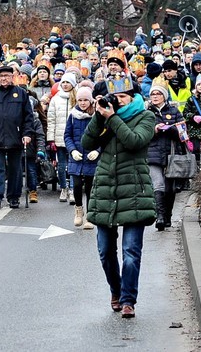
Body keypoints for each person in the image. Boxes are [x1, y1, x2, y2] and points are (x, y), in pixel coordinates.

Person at [82, 76, 156, 319]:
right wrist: (98, 115)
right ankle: (116, 290)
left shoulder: (145, 116)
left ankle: (128, 300)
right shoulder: (105, 116)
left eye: (123, 96)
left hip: (134, 189)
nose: (119, 101)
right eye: (115, 97)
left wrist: (112, 118)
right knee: (105, 251)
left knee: (131, 252)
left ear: (133, 97)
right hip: (106, 188)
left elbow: (135, 141)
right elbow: (87, 142)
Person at [0, 65, 35, 210]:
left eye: (7, 76)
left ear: (12, 77)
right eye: (1, 76)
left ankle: (14, 197)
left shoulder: (21, 94)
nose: (4, 79)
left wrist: (27, 134)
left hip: (16, 137)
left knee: (15, 170)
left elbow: (28, 117)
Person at [146, 78, 185, 231]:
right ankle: (160, 216)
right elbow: (142, 133)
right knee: (158, 184)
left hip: (171, 153)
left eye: (158, 94)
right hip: (152, 153)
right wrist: (155, 130)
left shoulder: (174, 111)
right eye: (153, 94)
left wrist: (170, 129)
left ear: (164, 95)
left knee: (169, 189)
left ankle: (168, 216)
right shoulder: (146, 113)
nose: (155, 96)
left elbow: (183, 133)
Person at [65, 86, 99, 229]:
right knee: (77, 185)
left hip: (92, 157)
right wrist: (72, 150)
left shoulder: (97, 115)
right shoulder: (73, 116)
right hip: (77, 156)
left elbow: (104, 135)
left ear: (90, 100)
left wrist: (97, 150)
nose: (83, 103)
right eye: (80, 100)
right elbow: (67, 135)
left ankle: (90, 215)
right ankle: (79, 211)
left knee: (91, 187)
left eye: (86, 100)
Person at [47, 72, 77, 203]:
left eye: (68, 82)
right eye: (63, 82)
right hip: (59, 136)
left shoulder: (77, 98)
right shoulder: (55, 99)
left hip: (74, 137)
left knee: (73, 165)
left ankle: (72, 189)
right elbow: (51, 119)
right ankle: (63, 188)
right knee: (61, 165)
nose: (65, 85)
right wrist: (51, 139)